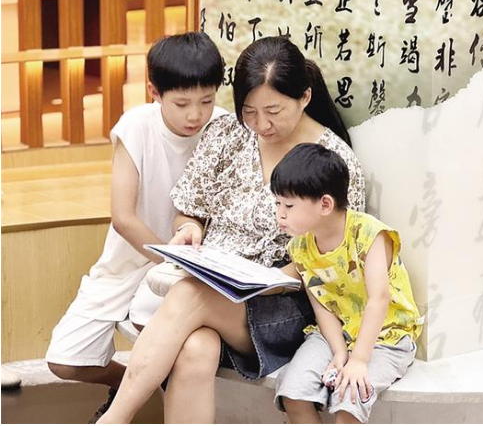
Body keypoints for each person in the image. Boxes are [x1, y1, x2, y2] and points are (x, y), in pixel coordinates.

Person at [96, 36, 366, 424]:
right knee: (196, 349)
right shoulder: (228, 133)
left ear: (305, 97)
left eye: (273, 111)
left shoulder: (334, 161)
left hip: (285, 305)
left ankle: (113, 420)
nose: (261, 124)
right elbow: (189, 210)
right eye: (250, 111)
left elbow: (332, 258)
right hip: (215, 287)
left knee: (190, 295)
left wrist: (267, 281)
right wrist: (189, 230)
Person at [45, 31, 227, 423]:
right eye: (182, 104)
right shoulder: (136, 126)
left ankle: (142, 395)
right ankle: (134, 384)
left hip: (188, 269)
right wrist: (168, 255)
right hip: (132, 259)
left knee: (163, 327)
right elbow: (123, 217)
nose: (195, 115)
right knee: (65, 360)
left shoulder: (224, 128)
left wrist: (182, 263)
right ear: (154, 92)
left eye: (207, 101)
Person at [271, 143, 423, 424]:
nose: (280, 214)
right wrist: (340, 352)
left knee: (350, 399)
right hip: (335, 333)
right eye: (277, 203)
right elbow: (322, 305)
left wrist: (359, 360)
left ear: (325, 204)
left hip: (386, 336)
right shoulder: (300, 247)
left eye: (288, 205)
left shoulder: (369, 234)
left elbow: (379, 299)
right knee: (293, 392)